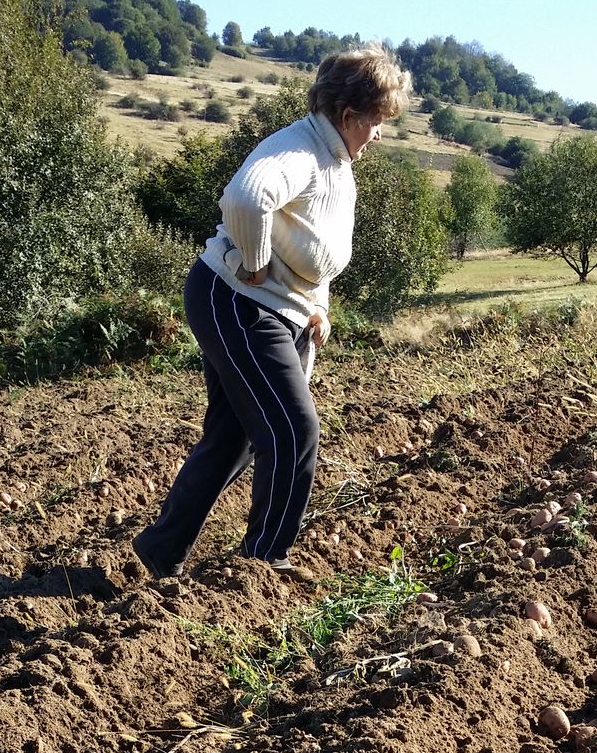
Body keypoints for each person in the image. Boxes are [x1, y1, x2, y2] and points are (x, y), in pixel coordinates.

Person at [131, 44, 412, 580]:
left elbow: (318, 246)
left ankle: (162, 548)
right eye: (376, 122)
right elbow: (245, 198)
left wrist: (317, 305)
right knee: (294, 430)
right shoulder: (299, 151)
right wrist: (255, 262)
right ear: (348, 115)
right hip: (236, 300)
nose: (379, 135)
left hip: (263, 308)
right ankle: (264, 564)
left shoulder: (336, 163)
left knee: (233, 438)